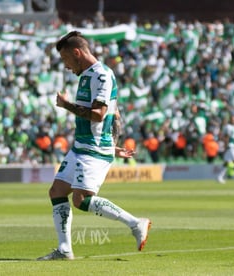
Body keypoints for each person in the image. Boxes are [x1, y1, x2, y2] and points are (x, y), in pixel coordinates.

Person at [37, 31, 151, 261]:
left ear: (76, 53)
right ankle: (65, 249)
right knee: (57, 191)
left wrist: (67, 105)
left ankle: (135, 223)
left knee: (81, 200)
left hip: (92, 148)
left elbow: (99, 115)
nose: (66, 66)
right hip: (83, 146)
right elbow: (115, 114)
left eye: (66, 59)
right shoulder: (87, 76)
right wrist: (113, 145)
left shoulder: (101, 76)